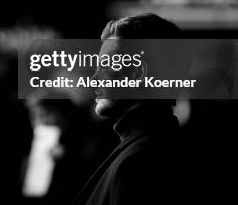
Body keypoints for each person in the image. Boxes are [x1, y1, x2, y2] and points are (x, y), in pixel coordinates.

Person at [73, 13, 187, 205]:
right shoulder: (154, 148)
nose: (93, 79)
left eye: (105, 66)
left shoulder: (137, 163)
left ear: (137, 73)